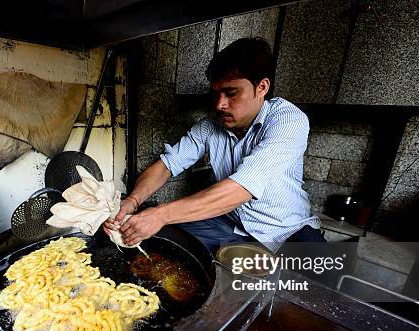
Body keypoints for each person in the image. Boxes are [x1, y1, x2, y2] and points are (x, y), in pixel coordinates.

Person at [104, 37, 324, 254]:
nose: (220, 104)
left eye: (231, 93)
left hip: (287, 233)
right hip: (231, 227)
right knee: (163, 242)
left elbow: (241, 189)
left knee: (326, 280)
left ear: (262, 87)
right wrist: (133, 201)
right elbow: (167, 164)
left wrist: (160, 214)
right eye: (216, 94)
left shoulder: (288, 121)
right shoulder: (209, 126)